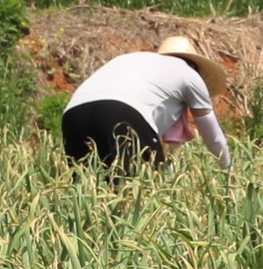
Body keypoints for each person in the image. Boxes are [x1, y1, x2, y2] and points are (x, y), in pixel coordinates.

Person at [62, 35, 235, 171]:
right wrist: (229, 172)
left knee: (86, 195)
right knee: (145, 198)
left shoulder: (132, 60)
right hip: (121, 114)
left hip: (72, 116)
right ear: (194, 65)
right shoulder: (190, 74)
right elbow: (214, 137)